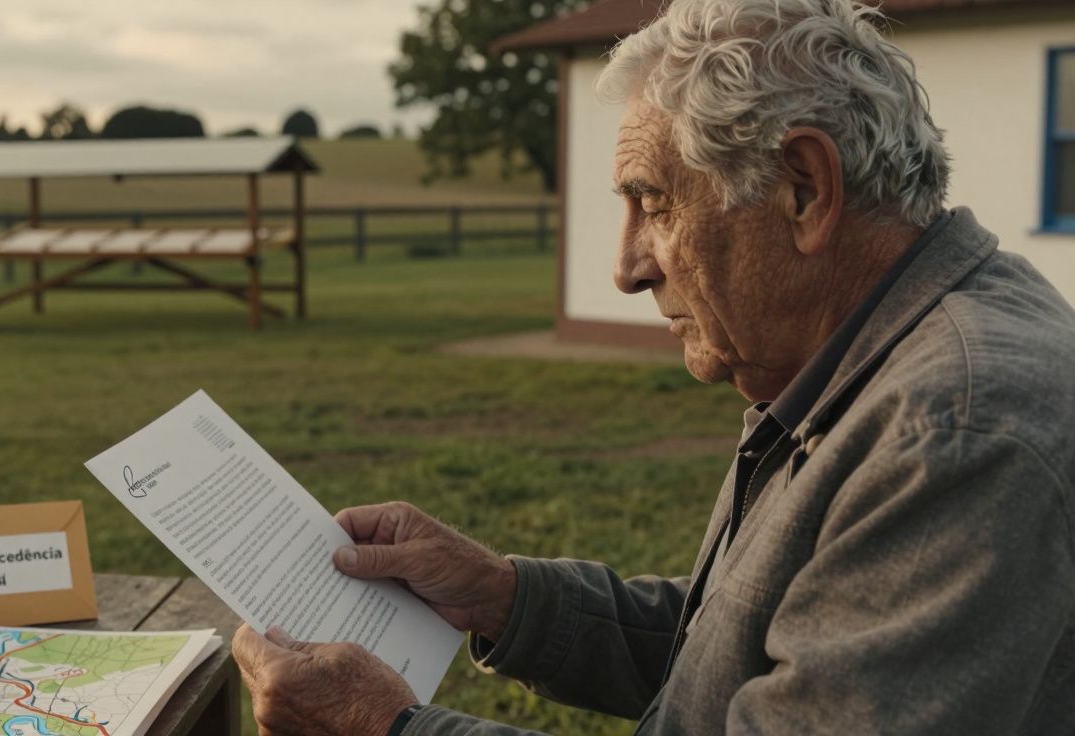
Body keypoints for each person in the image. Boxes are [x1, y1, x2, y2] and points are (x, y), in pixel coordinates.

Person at [232, 0, 1075, 732]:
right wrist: (501, 596)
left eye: (655, 204)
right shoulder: (872, 364)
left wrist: (386, 727)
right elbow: (744, 648)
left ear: (805, 188)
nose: (628, 267)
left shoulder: (958, 433)